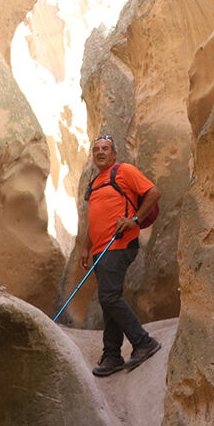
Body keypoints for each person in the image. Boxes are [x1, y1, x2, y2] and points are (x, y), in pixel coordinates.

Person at [80, 134, 162, 376]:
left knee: (108, 297)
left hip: (119, 243)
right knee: (109, 300)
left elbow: (153, 193)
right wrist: (86, 247)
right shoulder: (95, 183)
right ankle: (112, 355)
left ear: (114, 154)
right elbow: (94, 218)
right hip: (100, 249)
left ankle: (143, 342)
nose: (100, 152)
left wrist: (134, 219)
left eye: (105, 148)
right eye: (96, 149)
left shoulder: (124, 171)